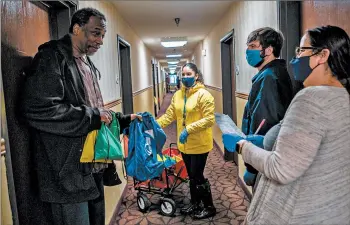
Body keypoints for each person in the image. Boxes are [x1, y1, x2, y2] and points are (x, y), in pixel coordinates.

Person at [21, 8, 139, 225]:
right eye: (96, 33)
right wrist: (93, 116)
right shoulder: (52, 58)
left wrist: (122, 119)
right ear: (76, 28)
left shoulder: (87, 63)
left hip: (91, 165)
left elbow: (94, 109)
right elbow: (39, 110)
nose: (101, 41)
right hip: (67, 172)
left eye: (102, 35)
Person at [236, 25, 350, 224]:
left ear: (322, 55)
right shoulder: (341, 96)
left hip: (292, 211)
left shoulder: (311, 97)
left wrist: (244, 148)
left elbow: (281, 168)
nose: (295, 58)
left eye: (301, 51)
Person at [156, 63, 216, 219]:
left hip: (200, 144)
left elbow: (209, 119)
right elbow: (170, 115)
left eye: (189, 74)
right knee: (191, 176)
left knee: (197, 175)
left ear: (196, 75)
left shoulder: (204, 95)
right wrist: (154, 125)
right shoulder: (177, 95)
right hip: (184, 145)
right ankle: (195, 203)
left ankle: (209, 207)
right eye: (183, 74)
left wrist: (189, 129)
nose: (185, 77)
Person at [239, 27, 294, 188]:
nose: (248, 51)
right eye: (248, 46)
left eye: (253, 46)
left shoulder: (269, 77)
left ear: (268, 50)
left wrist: (252, 167)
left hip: (264, 161)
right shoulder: (273, 72)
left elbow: (263, 124)